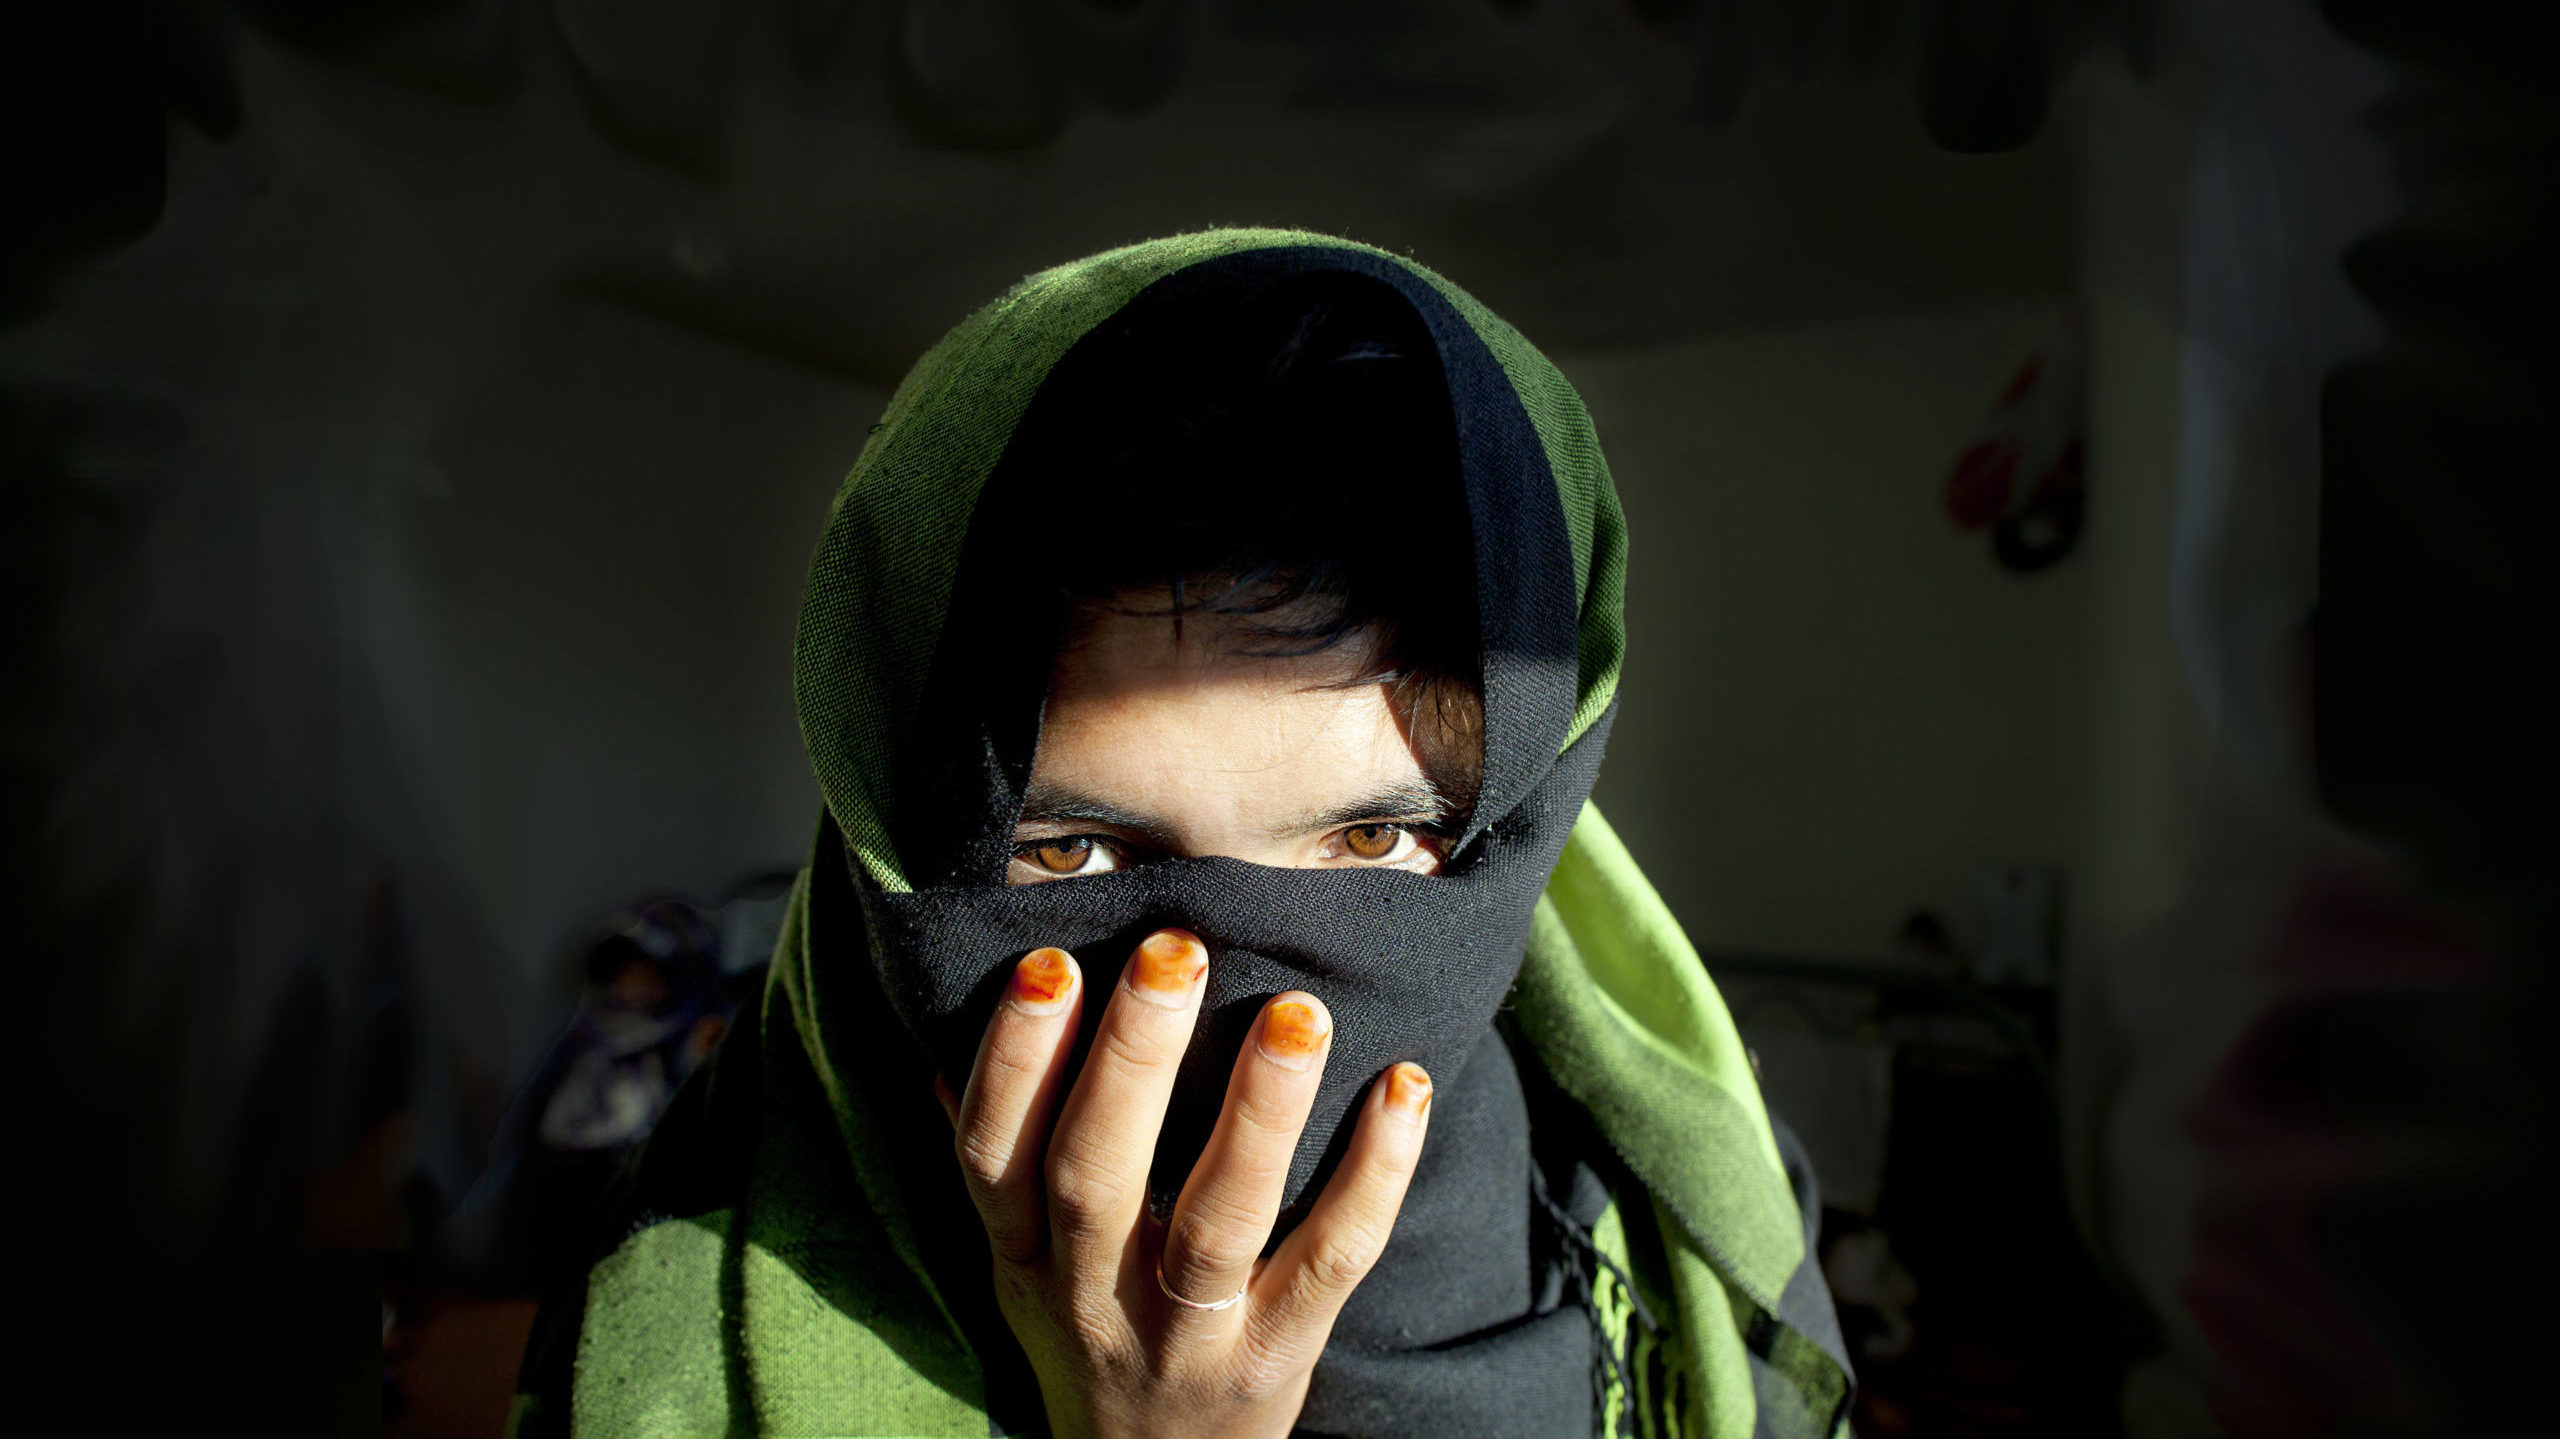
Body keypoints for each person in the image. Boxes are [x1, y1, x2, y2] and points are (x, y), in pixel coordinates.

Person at [511, 230, 1851, 1438]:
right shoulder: (673, 1352)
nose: (1231, 1010)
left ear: (1521, 824)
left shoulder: (1692, 1224)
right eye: (1072, 856)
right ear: (898, 840)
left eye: (1373, 843)